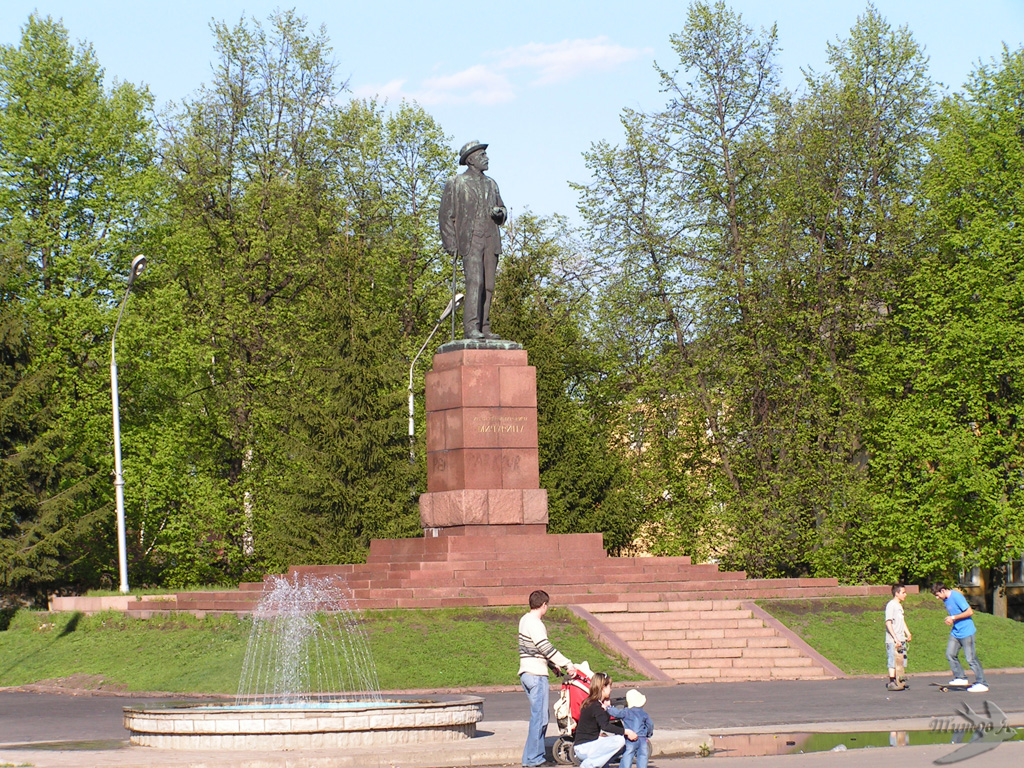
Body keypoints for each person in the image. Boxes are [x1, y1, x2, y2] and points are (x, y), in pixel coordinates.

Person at [438, 140, 507, 340]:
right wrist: (451, 244)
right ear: (471, 160)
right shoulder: (457, 183)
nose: (486, 159)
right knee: (474, 282)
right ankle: (471, 328)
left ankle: (485, 327)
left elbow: (503, 210)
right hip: (470, 240)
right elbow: (445, 216)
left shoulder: (491, 183)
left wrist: (499, 213)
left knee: (489, 285)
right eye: (482, 155)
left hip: (490, 239)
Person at [518, 590, 574, 768]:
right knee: (541, 718)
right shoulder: (535, 623)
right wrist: (567, 664)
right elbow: (545, 647)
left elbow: (534, 650)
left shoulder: (524, 619)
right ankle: (535, 759)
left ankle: (528, 759)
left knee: (537, 717)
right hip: (536, 675)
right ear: (544, 605)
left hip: (527, 673)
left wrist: (551, 665)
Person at [931, 582, 989, 692]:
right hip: (956, 632)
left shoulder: (956, 596)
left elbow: (969, 612)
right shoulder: (945, 599)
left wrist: (953, 617)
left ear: (943, 591)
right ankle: (961, 677)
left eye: (937, 595)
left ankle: (982, 683)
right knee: (950, 654)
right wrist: (952, 620)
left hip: (967, 631)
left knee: (971, 658)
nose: (937, 598)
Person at [573, 672, 637, 768]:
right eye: (609, 686)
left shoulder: (590, 702)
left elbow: (592, 725)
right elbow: (605, 726)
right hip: (585, 748)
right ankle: (588, 765)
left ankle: (600, 765)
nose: (611, 690)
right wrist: (626, 731)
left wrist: (606, 708)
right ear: (603, 687)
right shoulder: (596, 706)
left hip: (582, 746)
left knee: (607, 749)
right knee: (620, 741)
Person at [606, 688, 654, 768]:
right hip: (642, 739)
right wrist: (648, 734)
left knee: (628, 755)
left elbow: (617, 713)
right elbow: (650, 725)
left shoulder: (626, 711)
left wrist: (608, 708)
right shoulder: (644, 714)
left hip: (630, 739)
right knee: (643, 757)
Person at [884, 583, 912, 691]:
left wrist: (908, 633)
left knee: (901, 661)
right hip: (893, 640)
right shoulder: (891, 605)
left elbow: (902, 621)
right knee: (893, 661)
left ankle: (900, 682)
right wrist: (895, 639)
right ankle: (892, 682)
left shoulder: (899, 606)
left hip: (901, 639)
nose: (905, 595)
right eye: (903, 593)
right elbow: (888, 623)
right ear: (897, 593)